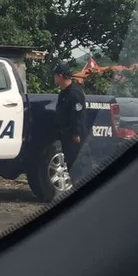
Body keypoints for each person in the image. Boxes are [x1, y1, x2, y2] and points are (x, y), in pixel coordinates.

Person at [52, 63, 89, 192]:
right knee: (71, 164)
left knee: (77, 164)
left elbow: (78, 115)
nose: (54, 79)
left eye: (55, 76)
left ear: (60, 76)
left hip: (74, 136)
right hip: (65, 134)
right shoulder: (64, 93)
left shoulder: (75, 93)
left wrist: (76, 134)